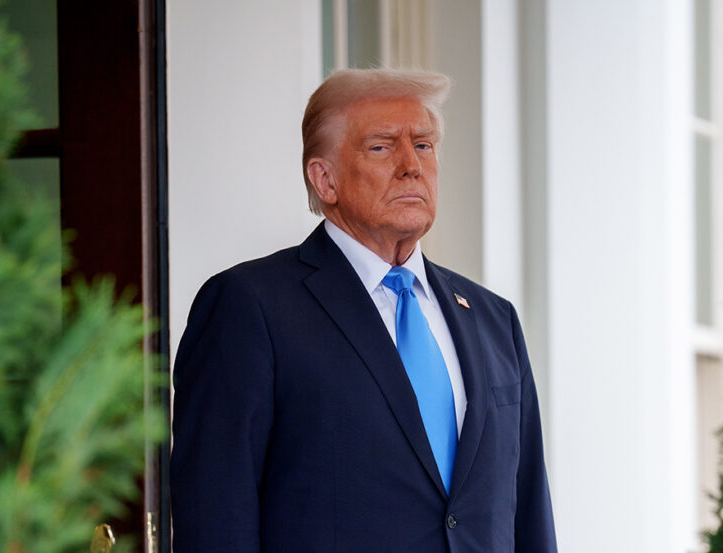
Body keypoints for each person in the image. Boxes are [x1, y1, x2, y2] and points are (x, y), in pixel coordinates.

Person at [170, 68, 557, 552]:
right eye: (381, 146)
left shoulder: (493, 319)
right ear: (324, 178)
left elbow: (530, 516)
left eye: (423, 144)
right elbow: (216, 521)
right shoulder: (250, 307)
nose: (411, 165)